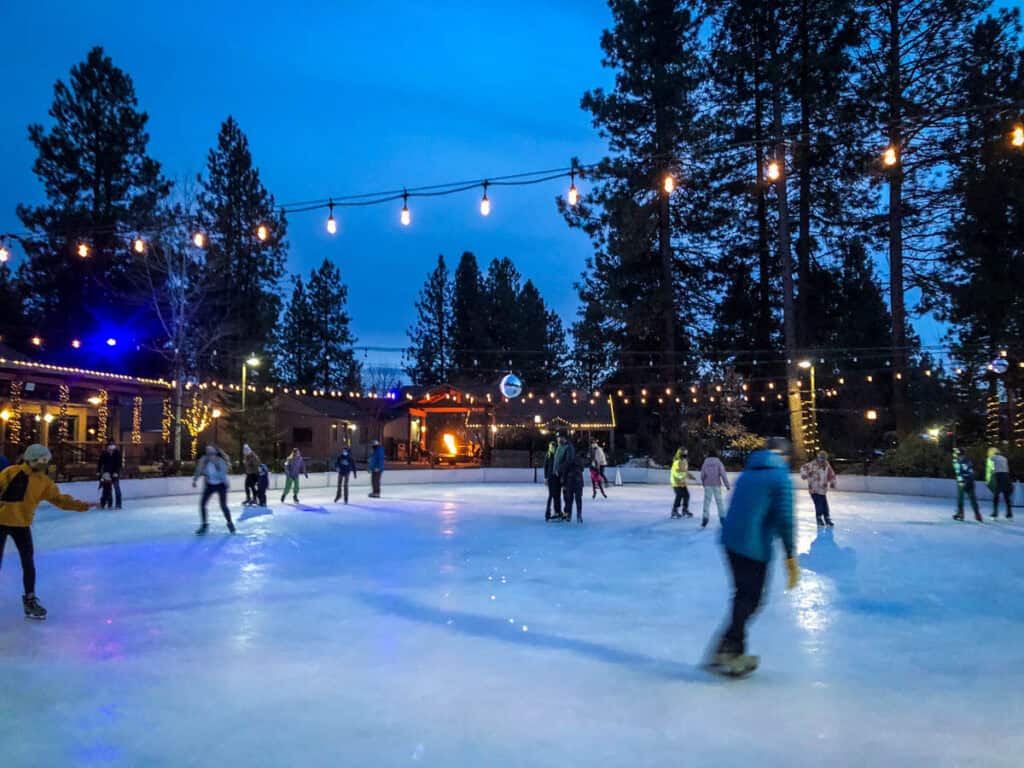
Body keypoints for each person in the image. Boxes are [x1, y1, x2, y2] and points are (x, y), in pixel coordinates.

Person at [710, 437, 798, 676]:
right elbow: (786, 519)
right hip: (753, 547)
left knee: (742, 596)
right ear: (785, 456)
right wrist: (790, 556)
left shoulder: (747, 474)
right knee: (751, 599)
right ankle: (730, 650)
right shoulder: (780, 477)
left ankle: (725, 646)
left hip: (730, 542)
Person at [0, 444, 94, 619]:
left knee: (28, 563)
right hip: (1, 522)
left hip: (22, 524)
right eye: (42, 460)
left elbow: (59, 500)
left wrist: (81, 505)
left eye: (46, 460)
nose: (45, 463)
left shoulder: (44, 482)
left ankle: (30, 599)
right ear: (31, 459)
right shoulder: (11, 472)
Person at [192, 445, 235, 535]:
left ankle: (230, 523)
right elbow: (199, 470)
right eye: (208, 453)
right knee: (202, 504)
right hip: (210, 485)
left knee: (223, 506)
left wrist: (216, 466)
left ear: (216, 453)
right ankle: (204, 525)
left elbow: (222, 474)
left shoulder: (220, 461)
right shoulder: (204, 460)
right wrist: (195, 479)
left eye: (212, 453)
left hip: (221, 485)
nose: (210, 456)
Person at [800, 450, 837, 527]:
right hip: (813, 489)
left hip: (822, 489)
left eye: (824, 458)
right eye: (821, 458)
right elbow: (803, 468)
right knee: (818, 504)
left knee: (824, 504)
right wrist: (805, 474)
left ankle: (827, 518)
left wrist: (833, 482)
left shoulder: (827, 465)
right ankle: (819, 519)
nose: (822, 460)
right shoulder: (812, 464)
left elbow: (831, 474)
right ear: (818, 458)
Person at [700, 450, 731, 528]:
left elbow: (702, 475)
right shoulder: (718, 463)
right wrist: (727, 485)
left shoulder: (705, 463)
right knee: (719, 502)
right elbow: (723, 474)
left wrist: (704, 483)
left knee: (706, 502)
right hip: (716, 485)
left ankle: (705, 518)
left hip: (707, 485)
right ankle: (722, 518)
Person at [953, 448, 982, 522]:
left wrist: (961, 481)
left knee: (960, 499)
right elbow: (971, 472)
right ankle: (977, 515)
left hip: (963, 482)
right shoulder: (969, 461)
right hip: (970, 482)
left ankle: (961, 514)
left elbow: (958, 473)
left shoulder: (958, 462)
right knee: (973, 499)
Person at [553, 432, 576, 521]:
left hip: (566, 475)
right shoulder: (560, 447)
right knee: (558, 494)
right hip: (558, 474)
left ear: (564, 438)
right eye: (557, 438)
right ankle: (559, 512)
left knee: (567, 494)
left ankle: (567, 513)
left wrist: (562, 472)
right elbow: (557, 460)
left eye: (560, 438)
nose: (558, 440)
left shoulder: (569, 447)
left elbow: (568, 462)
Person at [986, 447, 1013, 519]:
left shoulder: (992, 458)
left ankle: (995, 513)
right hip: (1006, 476)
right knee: (1006, 495)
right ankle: (1009, 513)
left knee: (996, 495)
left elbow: (990, 468)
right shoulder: (1004, 458)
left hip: (998, 476)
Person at [562, 441, 586, 524]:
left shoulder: (567, 460)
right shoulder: (579, 459)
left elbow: (565, 472)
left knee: (569, 500)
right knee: (578, 499)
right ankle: (578, 515)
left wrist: (564, 483)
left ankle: (569, 515)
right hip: (578, 481)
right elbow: (582, 469)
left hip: (570, 481)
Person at [670, 448, 696, 519]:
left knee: (686, 495)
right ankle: (674, 511)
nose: (685, 454)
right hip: (675, 481)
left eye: (686, 453)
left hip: (682, 482)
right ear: (680, 453)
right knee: (679, 495)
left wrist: (689, 475)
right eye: (684, 453)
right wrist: (684, 475)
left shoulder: (684, 461)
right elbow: (676, 473)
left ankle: (685, 510)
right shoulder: (676, 462)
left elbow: (684, 471)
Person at [97, 441, 123, 509]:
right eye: (109, 448)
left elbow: (119, 464)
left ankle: (118, 504)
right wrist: (98, 471)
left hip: (115, 474)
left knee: (116, 488)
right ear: (107, 448)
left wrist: (116, 472)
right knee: (106, 489)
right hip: (107, 474)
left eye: (112, 447)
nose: (111, 449)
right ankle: (106, 503)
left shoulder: (117, 454)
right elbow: (100, 463)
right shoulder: (104, 454)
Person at [543, 441, 561, 521]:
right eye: (552, 446)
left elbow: (545, 467)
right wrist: (546, 478)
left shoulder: (553, 455)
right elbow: (545, 467)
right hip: (553, 478)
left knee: (555, 495)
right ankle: (550, 512)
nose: (553, 448)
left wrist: (546, 478)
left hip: (555, 478)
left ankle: (556, 512)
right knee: (553, 495)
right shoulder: (549, 455)